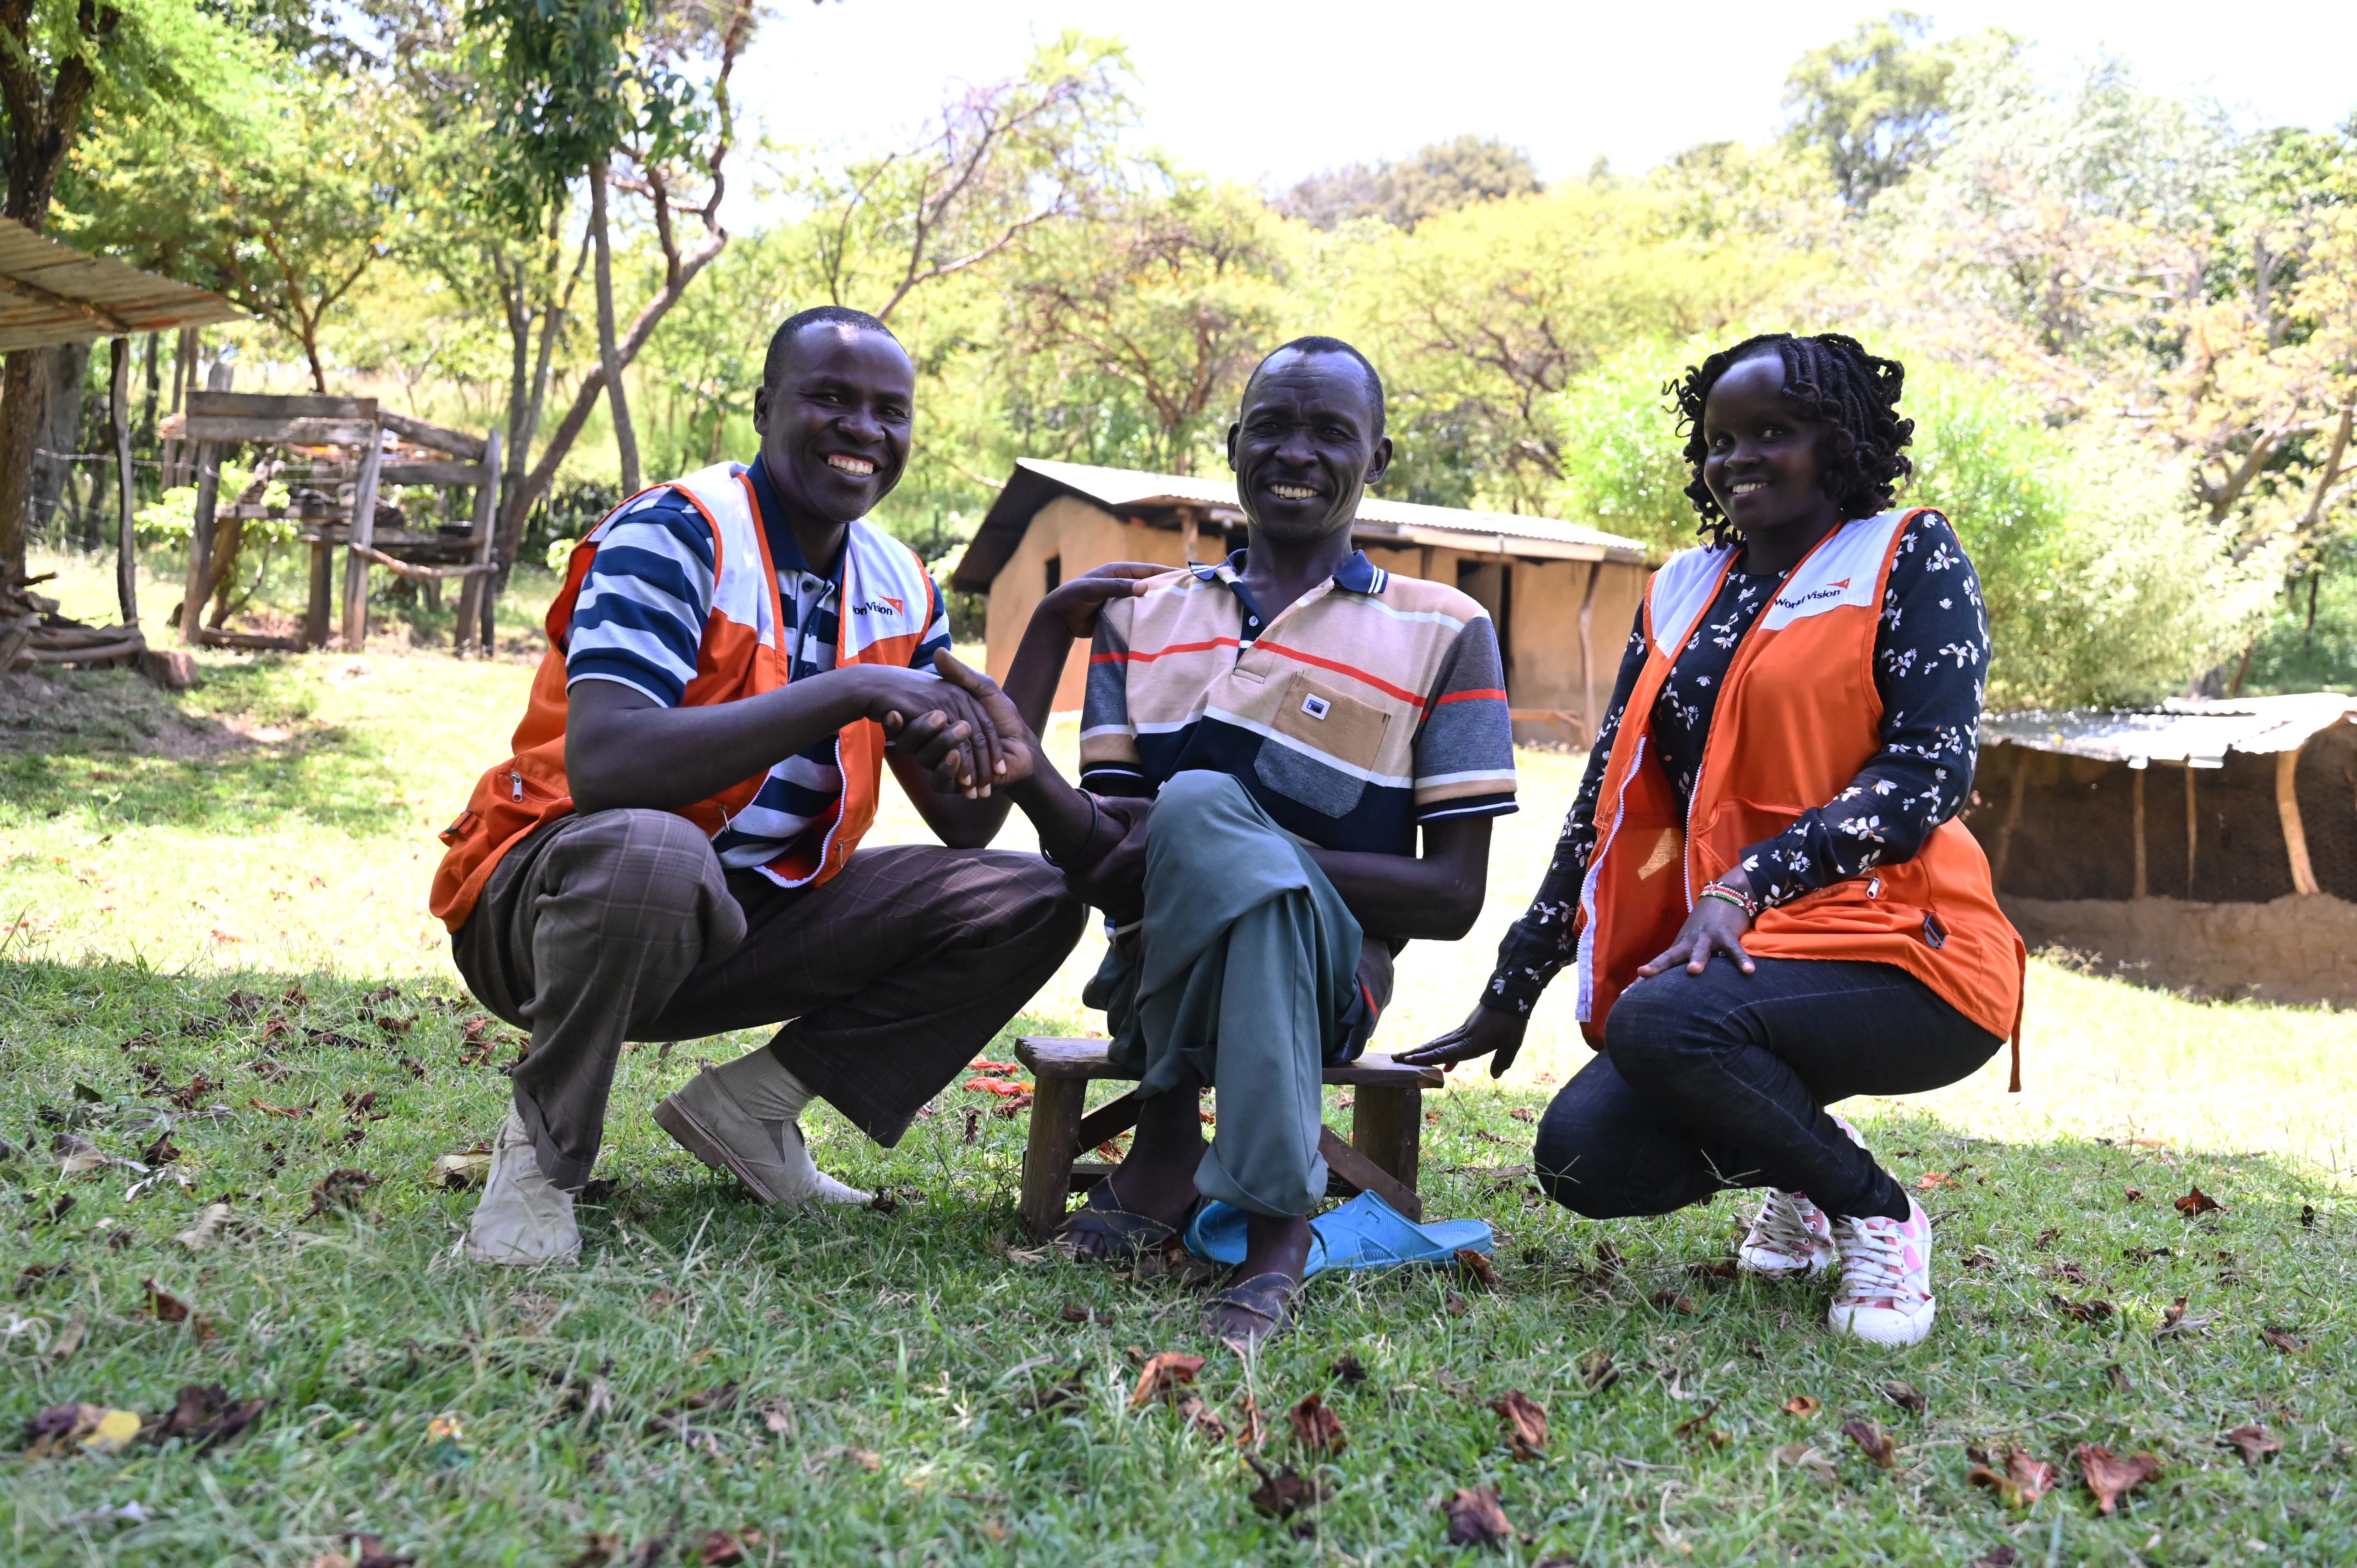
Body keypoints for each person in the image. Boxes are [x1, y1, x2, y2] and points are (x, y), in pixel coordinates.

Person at [1403, 332, 2024, 1349]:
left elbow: (1929, 774)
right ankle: (1810, 1162)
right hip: (1740, 961)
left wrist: (1747, 882)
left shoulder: (1908, 554)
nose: (1737, 458)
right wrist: (1512, 984)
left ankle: (1879, 1214)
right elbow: (1605, 798)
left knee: (1661, 1026)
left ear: (1843, 442)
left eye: (1772, 433)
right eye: (1718, 439)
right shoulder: (1683, 587)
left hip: (1911, 953)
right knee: (1582, 1160)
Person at [428, 305, 1085, 1266]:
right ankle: (540, 1157)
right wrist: (849, 689)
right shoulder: (679, 532)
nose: (865, 429)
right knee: (654, 848)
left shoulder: (900, 583)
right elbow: (609, 766)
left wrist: (1053, 632)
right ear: (766, 405)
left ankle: (753, 1107)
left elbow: (969, 820)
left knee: (1028, 896)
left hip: (743, 920)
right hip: (559, 899)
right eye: (831, 398)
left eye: (890, 411)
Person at [935, 336, 1518, 1344]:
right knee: (1204, 809)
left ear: (1378, 458)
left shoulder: (1447, 628)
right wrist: (1040, 783)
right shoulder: (1144, 618)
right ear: (1234, 442)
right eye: (1275, 427)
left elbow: (1454, 900)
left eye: (1333, 432)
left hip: (1337, 985)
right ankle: (1270, 1224)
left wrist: (1219, 843)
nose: (1298, 452)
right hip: (1151, 971)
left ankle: (1177, 1158)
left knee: (1202, 805)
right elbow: (1114, 876)